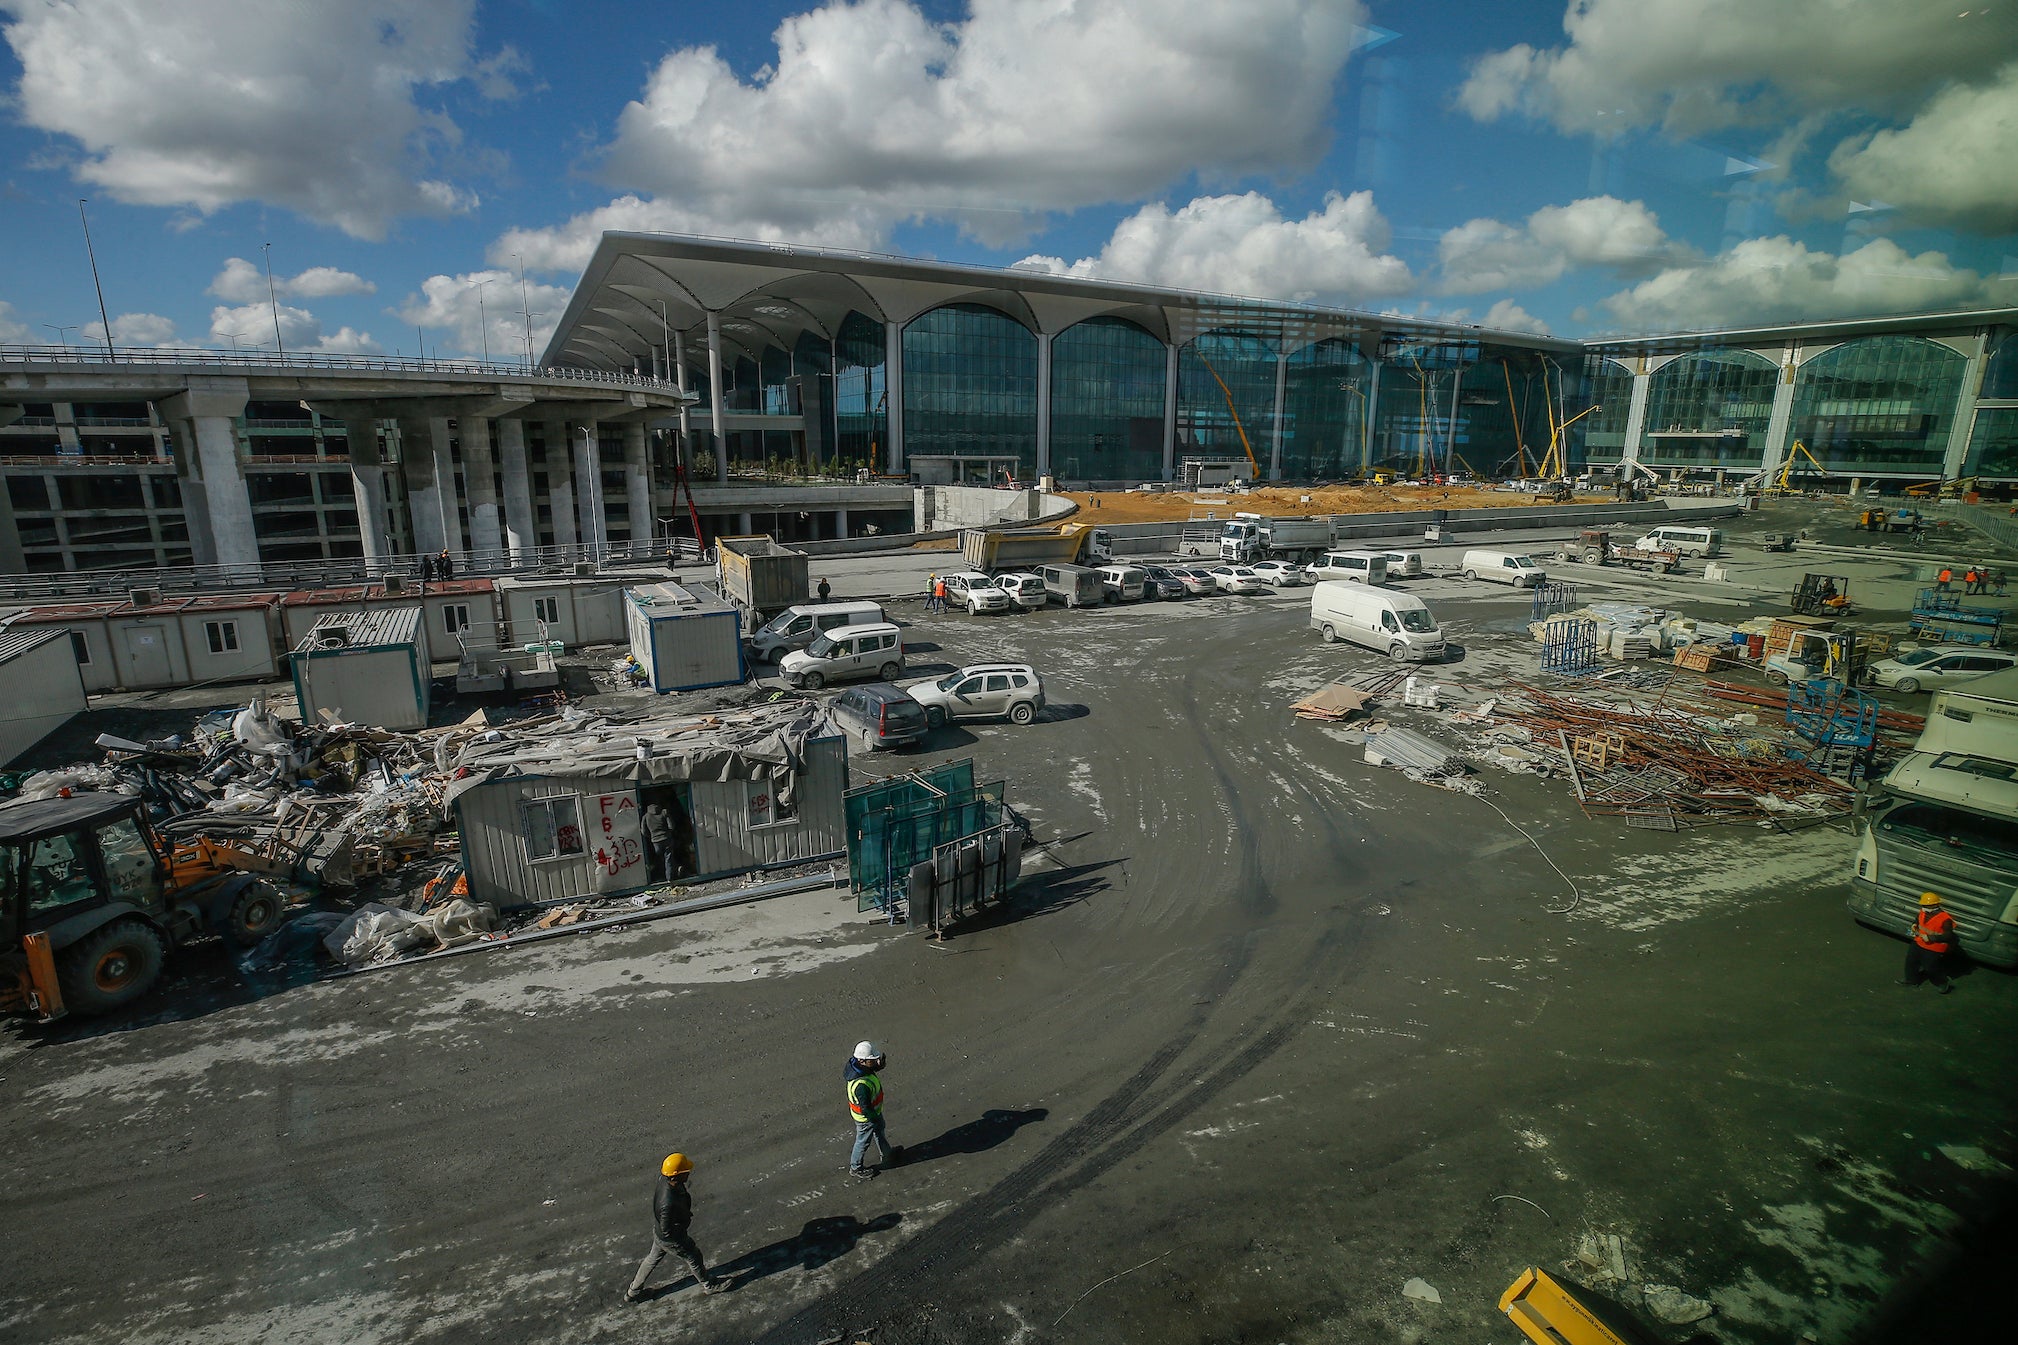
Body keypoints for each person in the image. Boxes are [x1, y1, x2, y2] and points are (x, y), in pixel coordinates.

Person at [625, 1152, 726, 1302]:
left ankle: (633, 1292)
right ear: (675, 1176)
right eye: (685, 1172)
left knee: (651, 1259)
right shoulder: (668, 1203)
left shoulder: (664, 1179)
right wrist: (681, 1232)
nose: (688, 1173)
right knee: (694, 1256)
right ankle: (709, 1285)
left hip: (658, 1233)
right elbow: (668, 1230)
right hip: (671, 1238)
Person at [845, 1040, 898, 1179]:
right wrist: (872, 1118)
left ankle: (887, 1154)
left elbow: (869, 1069)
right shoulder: (861, 1085)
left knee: (880, 1130)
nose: (875, 1061)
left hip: (873, 1113)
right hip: (866, 1118)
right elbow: (865, 1108)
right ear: (862, 1061)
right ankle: (855, 1168)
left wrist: (879, 1066)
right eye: (872, 1060)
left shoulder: (857, 1066)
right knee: (863, 1141)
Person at [1900, 891, 1958, 994]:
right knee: (1911, 962)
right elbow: (1917, 920)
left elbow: (1948, 935)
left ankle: (1942, 982)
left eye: (1926, 905)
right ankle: (1911, 980)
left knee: (1930, 967)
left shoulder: (1945, 919)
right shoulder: (1923, 912)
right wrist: (1914, 925)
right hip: (1918, 942)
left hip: (1934, 947)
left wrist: (1931, 938)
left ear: (1935, 905)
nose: (1924, 907)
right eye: (1923, 905)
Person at [643, 803, 676, 884]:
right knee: (668, 859)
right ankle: (670, 878)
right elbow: (671, 826)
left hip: (655, 842)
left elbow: (643, 831)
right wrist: (668, 833)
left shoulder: (646, 816)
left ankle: (660, 877)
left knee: (659, 859)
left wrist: (652, 836)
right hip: (666, 838)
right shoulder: (664, 812)